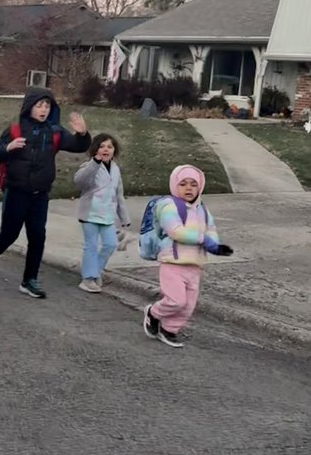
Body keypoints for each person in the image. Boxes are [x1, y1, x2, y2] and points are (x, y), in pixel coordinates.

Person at [0, 89, 90, 298]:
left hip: (40, 194)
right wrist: (9, 147)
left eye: (47, 106)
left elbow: (78, 146)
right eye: (39, 105)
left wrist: (83, 134)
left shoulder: (55, 132)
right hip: (16, 191)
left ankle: (29, 279)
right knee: (9, 234)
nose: (43, 110)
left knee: (38, 236)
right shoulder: (14, 129)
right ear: (29, 107)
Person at [143, 164, 233, 348]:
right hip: (173, 263)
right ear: (175, 185)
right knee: (176, 301)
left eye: (193, 184)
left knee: (188, 306)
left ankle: (169, 330)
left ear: (200, 186)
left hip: (194, 266)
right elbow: (176, 231)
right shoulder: (168, 206)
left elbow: (211, 229)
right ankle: (153, 313)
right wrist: (203, 240)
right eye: (183, 184)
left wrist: (215, 246)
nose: (189, 188)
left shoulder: (203, 210)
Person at [74, 133, 129, 294]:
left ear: (114, 151)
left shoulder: (116, 169)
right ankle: (88, 279)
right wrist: (95, 163)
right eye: (102, 146)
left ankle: (96, 271)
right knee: (90, 245)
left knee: (110, 244)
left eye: (110, 147)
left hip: (107, 215)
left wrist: (124, 219)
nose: (106, 149)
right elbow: (79, 181)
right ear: (95, 149)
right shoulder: (89, 166)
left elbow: (119, 195)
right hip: (90, 213)